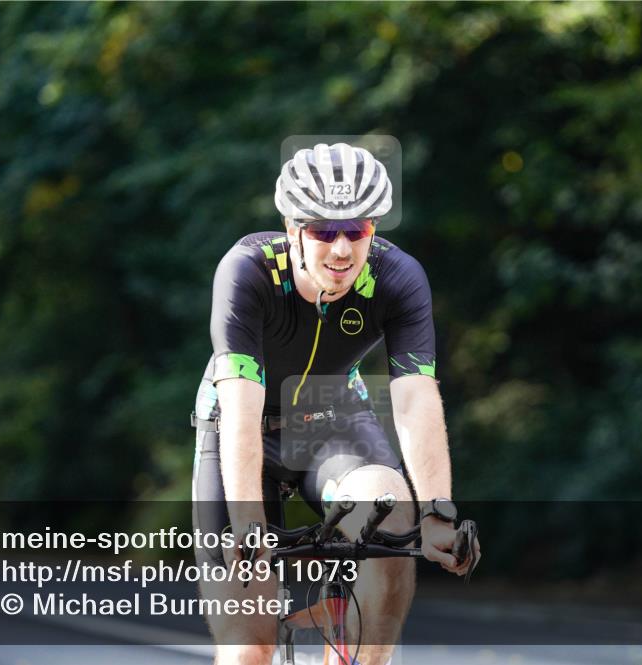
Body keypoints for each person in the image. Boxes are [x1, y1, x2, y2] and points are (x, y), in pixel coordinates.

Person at [191, 142, 479, 665]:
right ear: (292, 226)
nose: (341, 249)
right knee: (248, 646)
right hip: (239, 423)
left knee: (391, 511)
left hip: (330, 413)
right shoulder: (248, 271)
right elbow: (239, 406)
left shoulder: (397, 277)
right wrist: (247, 522)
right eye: (324, 231)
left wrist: (438, 512)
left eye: (357, 230)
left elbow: (415, 397)